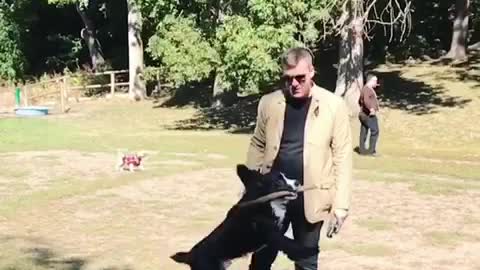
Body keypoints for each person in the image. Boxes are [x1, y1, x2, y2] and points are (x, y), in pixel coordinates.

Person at [245, 47, 353, 270]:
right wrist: (252, 186)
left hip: (310, 197)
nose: (293, 84)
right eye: (288, 78)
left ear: (312, 72)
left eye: (300, 78)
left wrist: (341, 205)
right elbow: (257, 144)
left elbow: (343, 157)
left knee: (306, 263)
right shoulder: (269, 103)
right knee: (260, 260)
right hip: (272, 199)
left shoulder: (333, 106)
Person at [358, 74, 380, 156]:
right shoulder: (367, 89)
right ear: (370, 81)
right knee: (375, 131)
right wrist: (371, 108)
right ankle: (371, 151)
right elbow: (366, 100)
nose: (376, 82)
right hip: (368, 115)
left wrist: (362, 107)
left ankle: (362, 150)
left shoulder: (366, 89)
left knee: (364, 131)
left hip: (363, 113)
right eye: (375, 81)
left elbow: (360, 101)